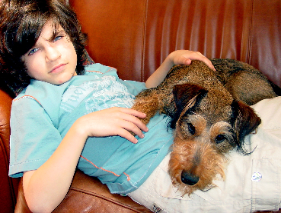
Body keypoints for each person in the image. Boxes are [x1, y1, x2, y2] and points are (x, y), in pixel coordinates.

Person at [1, 0, 281, 213]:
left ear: (71, 35)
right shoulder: (31, 102)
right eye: (33, 50)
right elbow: (38, 201)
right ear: (19, 62)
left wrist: (170, 61)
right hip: (162, 173)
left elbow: (148, 90)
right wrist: (81, 128)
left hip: (196, 140)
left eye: (56, 37)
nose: (52, 55)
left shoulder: (97, 72)